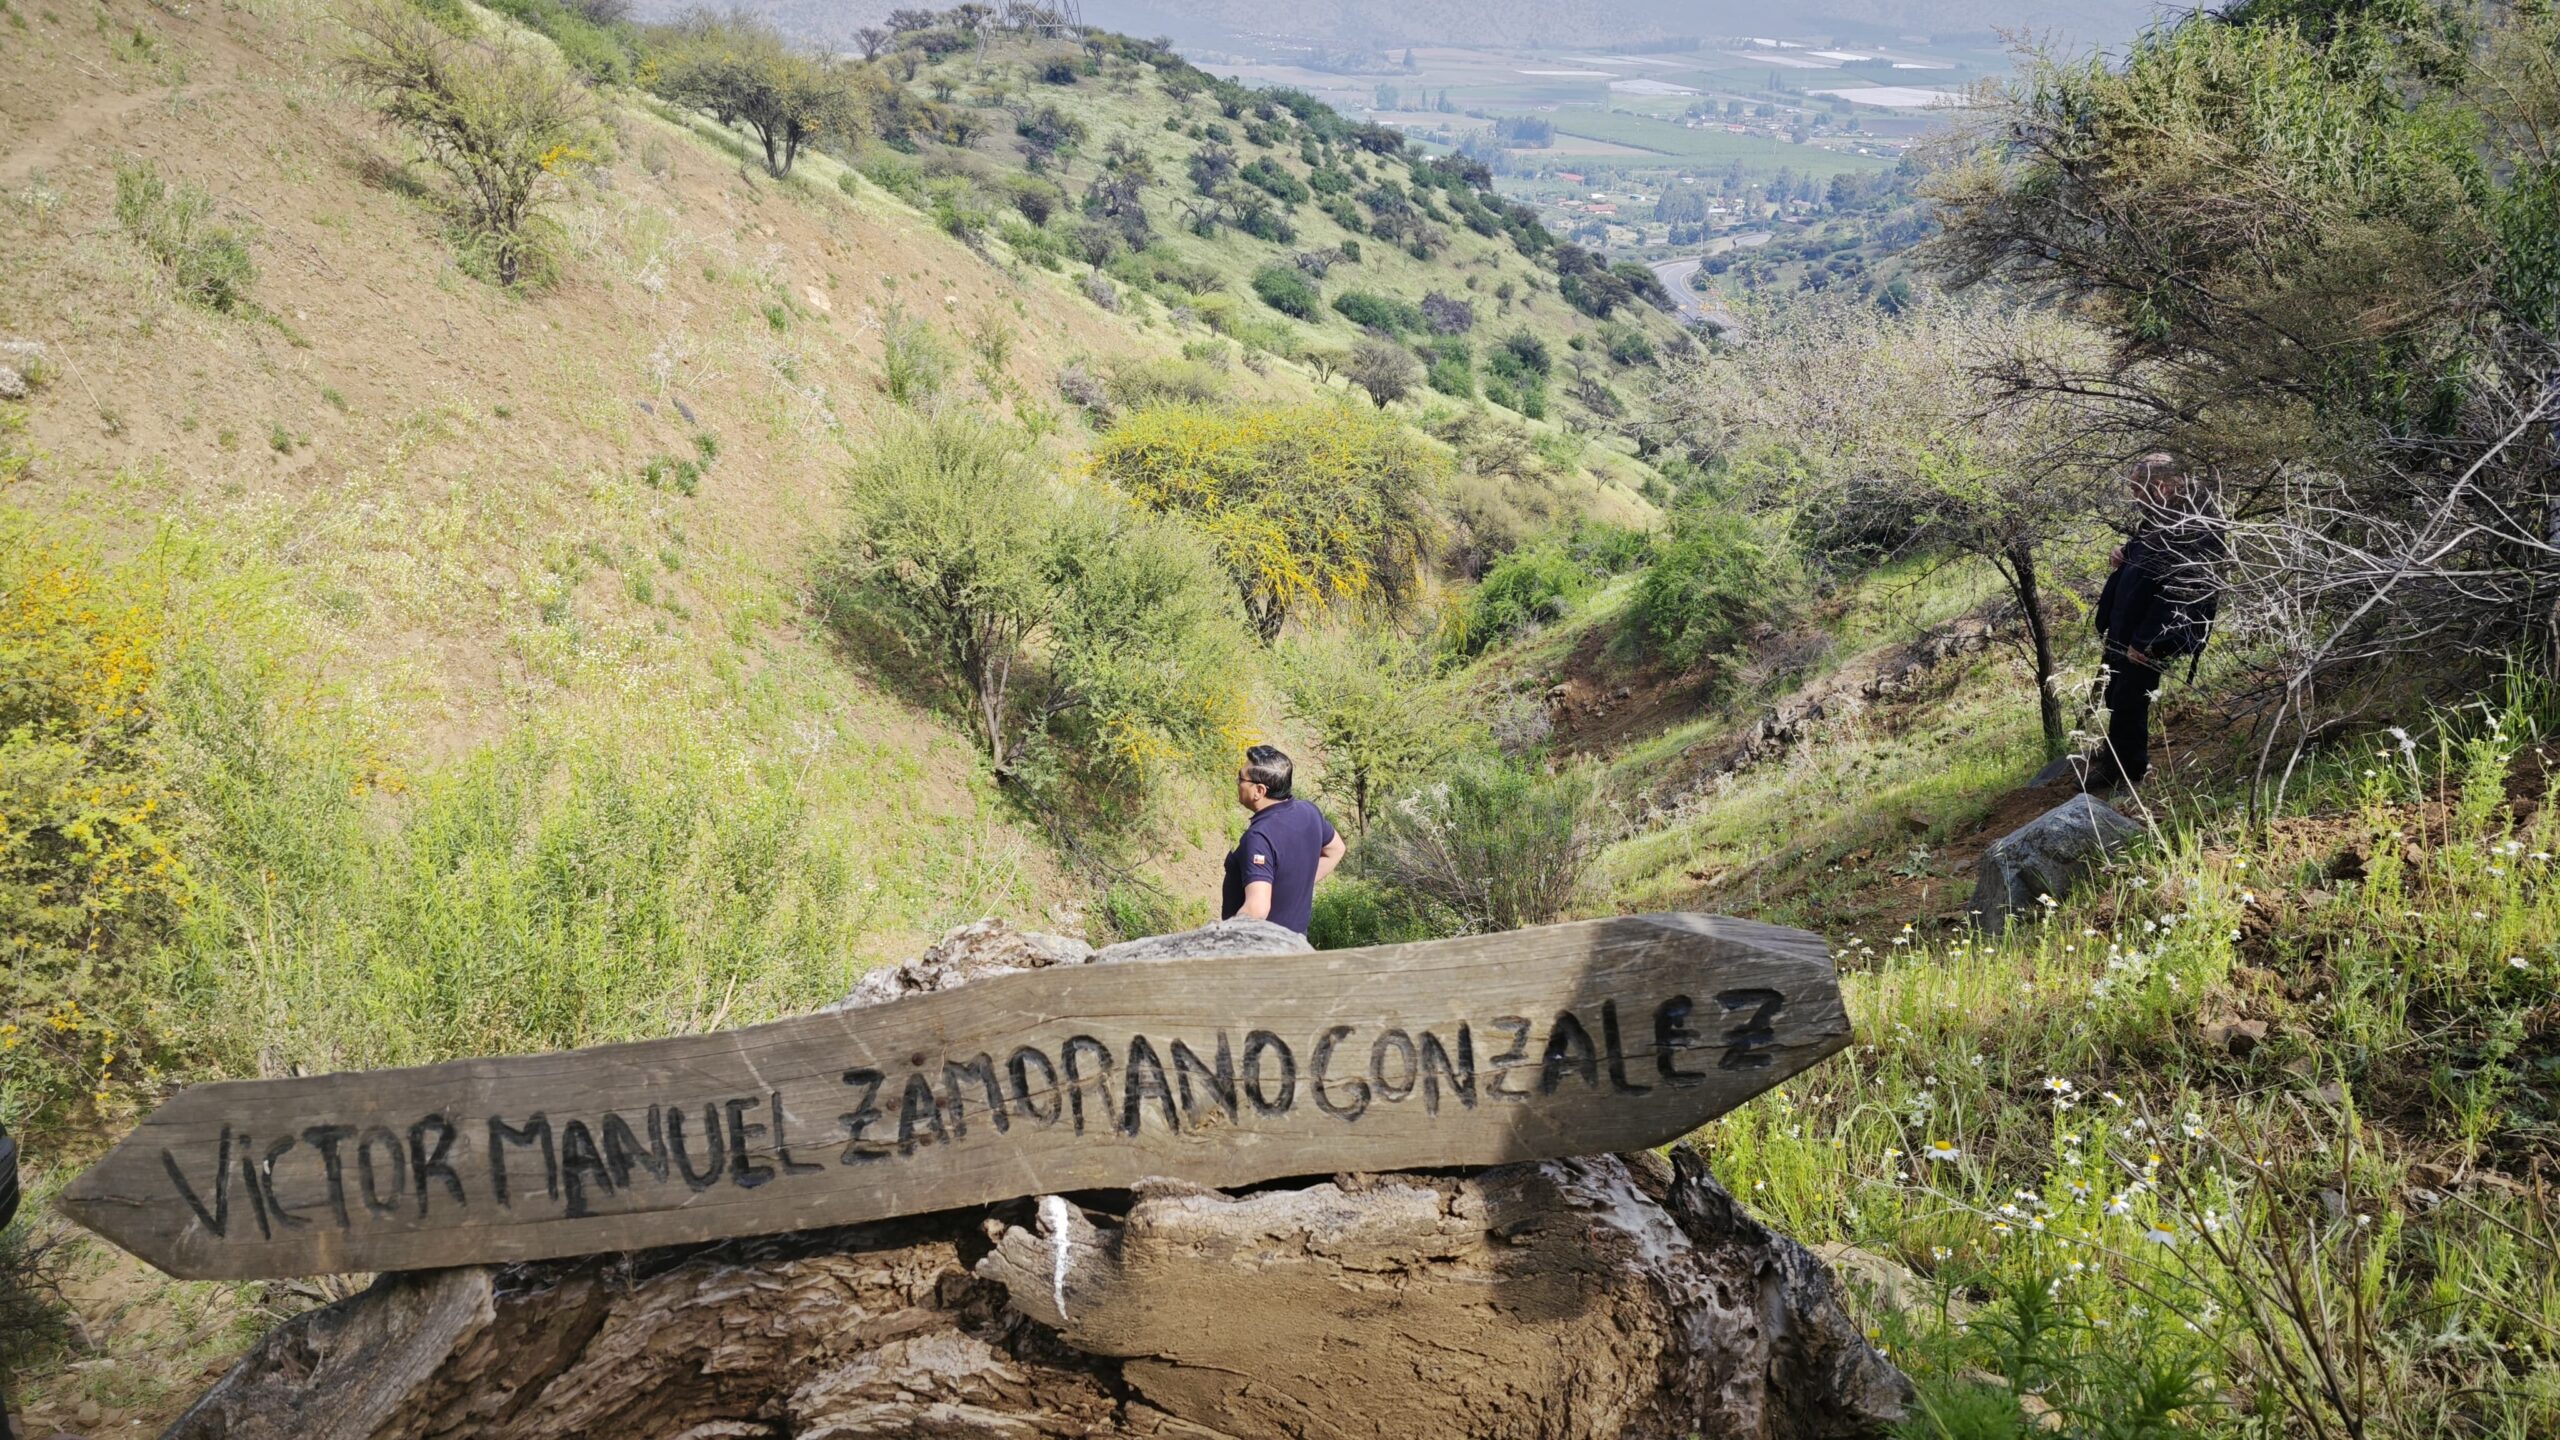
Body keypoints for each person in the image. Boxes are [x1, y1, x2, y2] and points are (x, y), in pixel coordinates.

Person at [2090, 453, 2227, 789]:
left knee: (2130, 696)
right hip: (2130, 623)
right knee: (2116, 691)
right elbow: (2149, 552)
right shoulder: (2163, 513)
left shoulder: (2196, 523)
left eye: (2140, 491)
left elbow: (2185, 589)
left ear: (2163, 486)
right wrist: (2125, 551)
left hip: (2153, 631)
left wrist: (2148, 640)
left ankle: (2127, 772)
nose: (2136, 499)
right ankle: (2117, 757)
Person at [1220, 745, 1347, 936]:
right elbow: (1336, 849)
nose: (1237, 782)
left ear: (1259, 791)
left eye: (1241, 778)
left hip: (1262, 950)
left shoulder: (1259, 836)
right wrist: (1295, 886)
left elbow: (1257, 909)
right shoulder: (1309, 811)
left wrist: (1223, 937)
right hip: (1296, 943)